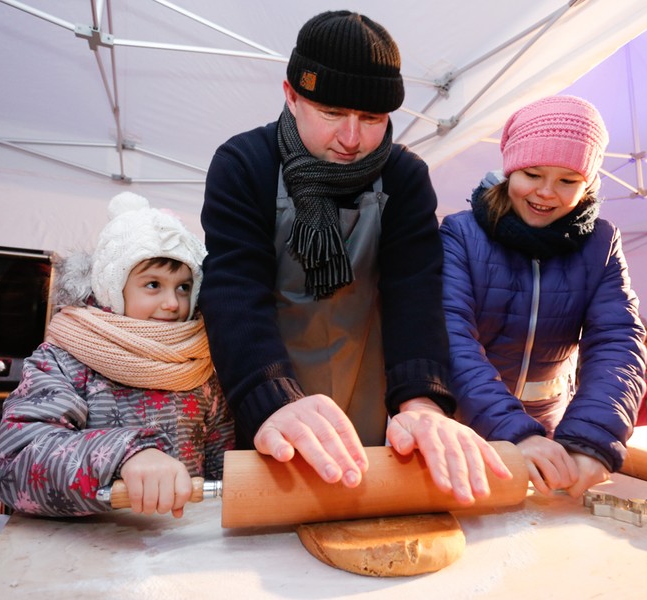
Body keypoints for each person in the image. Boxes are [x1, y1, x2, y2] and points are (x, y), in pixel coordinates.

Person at [199, 10, 510, 505]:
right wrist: (271, 397)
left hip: (364, 387)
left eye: (372, 119)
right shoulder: (244, 164)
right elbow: (234, 290)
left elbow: (415, 294)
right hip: (262, 389)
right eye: (332, 113)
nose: (351, 138)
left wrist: (422, 403)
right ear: (292, 95)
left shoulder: (404, 178)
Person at [439, 95, 647, 499]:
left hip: (552, 434)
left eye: (568, 181)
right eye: (532, 174)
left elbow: (617, 340)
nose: (547, 192)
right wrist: (512, 430)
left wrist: (591, 437)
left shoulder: (601, 242)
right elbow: (451, 337)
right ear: (509, 170)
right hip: (467, 429)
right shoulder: (461, 234)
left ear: (588, 184)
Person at [0, 192, 234, 518]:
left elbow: (224, 474)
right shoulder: (64, 361)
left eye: (183, 287)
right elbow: (13, 465)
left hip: (180, 541)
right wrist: (124, 454)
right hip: (84, 543)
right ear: (112, 287)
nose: (173, 303)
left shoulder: (199, 367)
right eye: (153, 284)